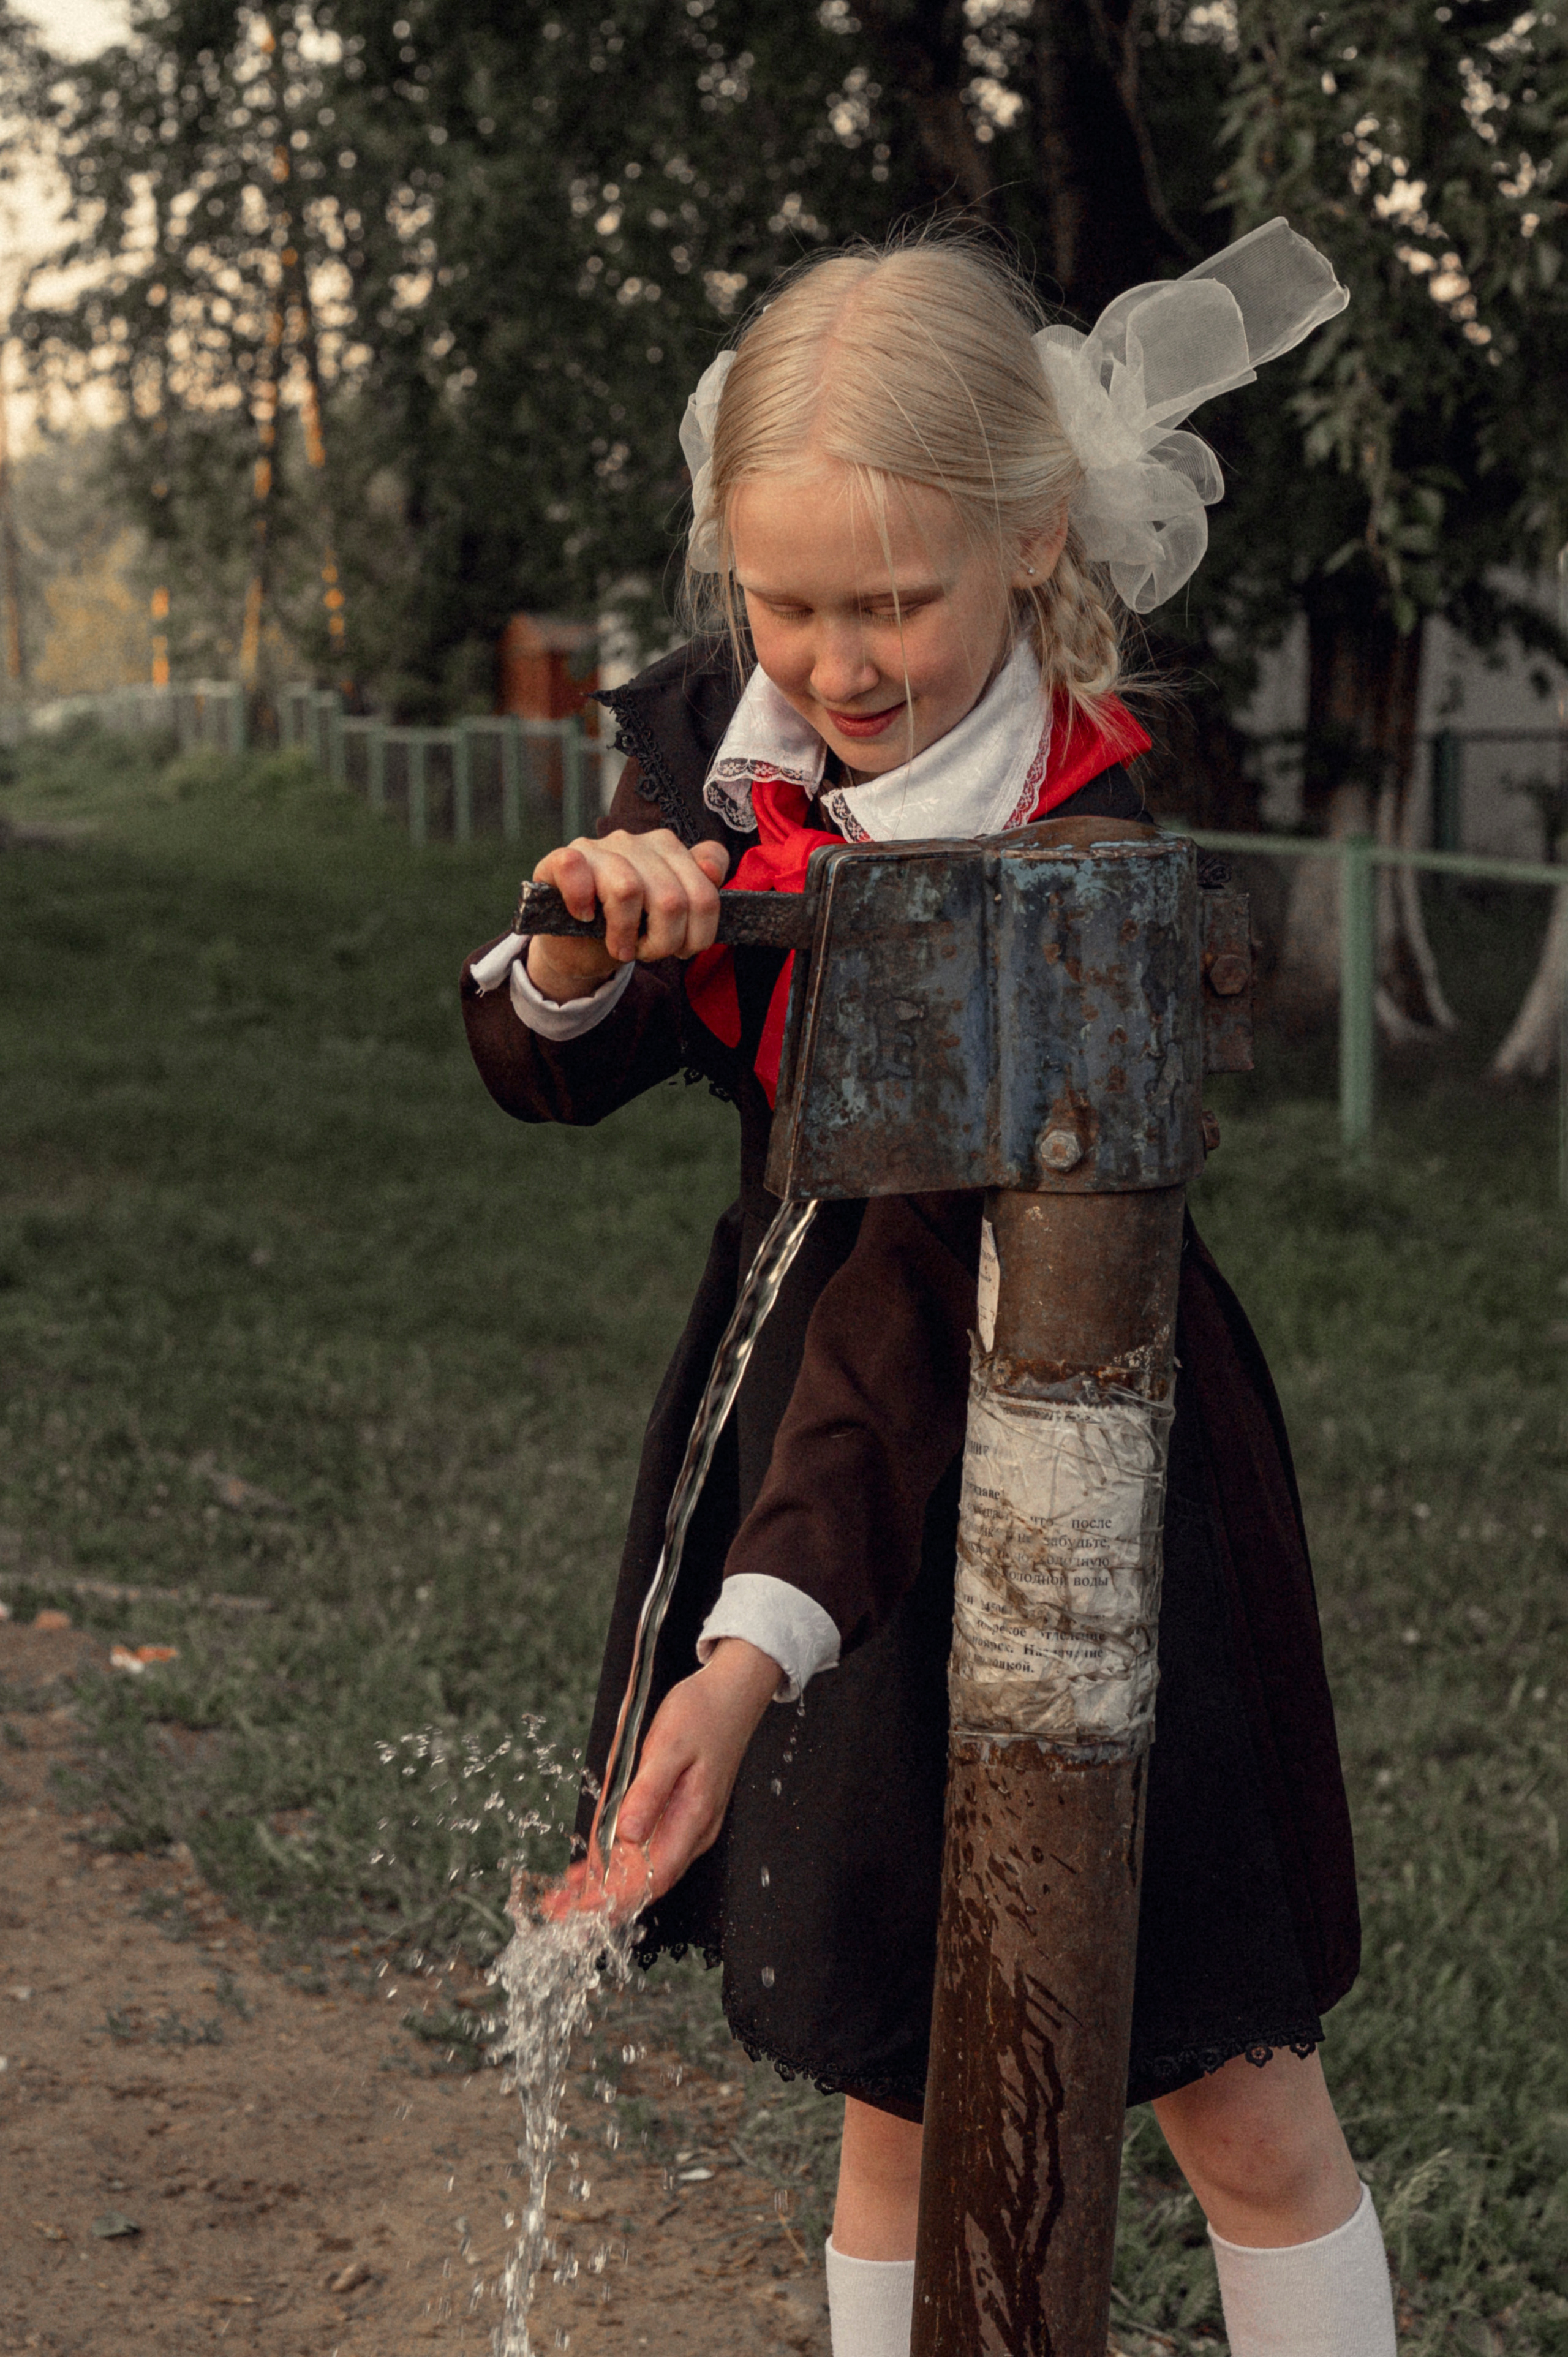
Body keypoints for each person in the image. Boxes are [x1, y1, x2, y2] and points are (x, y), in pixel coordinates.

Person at [462, 228, 1398, 2357]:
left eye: (895, 601)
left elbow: (927, 1277)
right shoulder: (720, 732)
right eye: (787, 600)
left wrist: (748, 1654)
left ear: (1033, 535)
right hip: (800, 1381)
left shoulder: (1078, 835)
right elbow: (546, 1064)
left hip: (1073, 1411)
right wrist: (590, 944)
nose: (839, 660)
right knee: (900, 2059)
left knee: (1232, 2089)